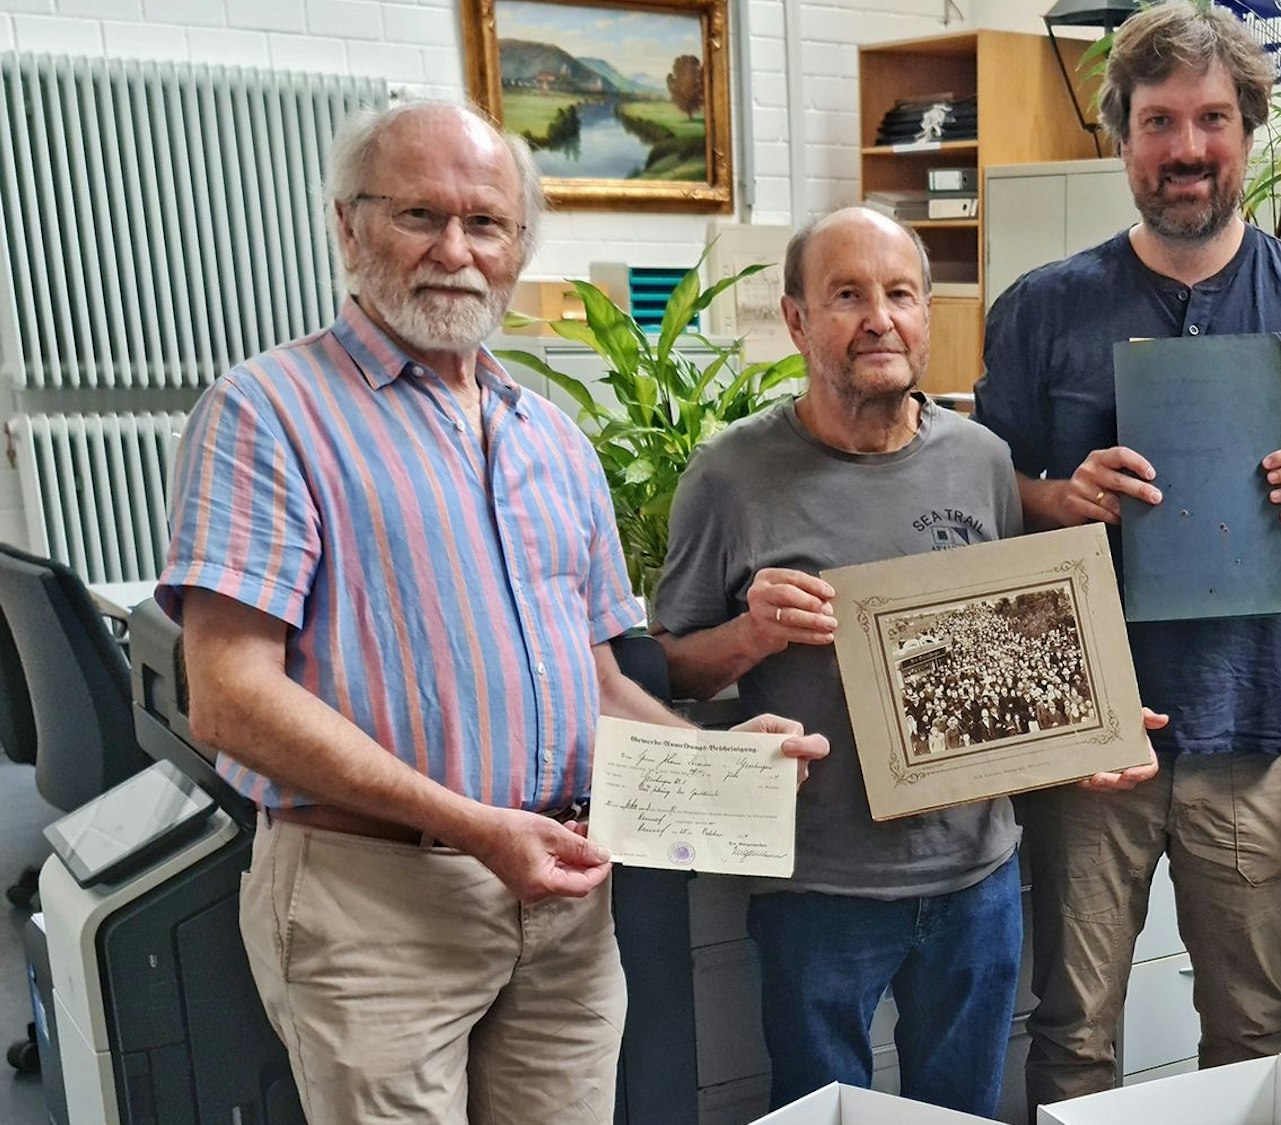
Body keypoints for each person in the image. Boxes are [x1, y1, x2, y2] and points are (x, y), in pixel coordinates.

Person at [159, 101, 828, 1124]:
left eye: (486, 223)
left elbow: (597, 683)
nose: (455, 250)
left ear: (519, 244)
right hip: (375, 904)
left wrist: (718, 765)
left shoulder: (551, 440)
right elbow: (229, 697)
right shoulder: (266, 412)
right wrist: (474, 827)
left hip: (563, 903)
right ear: (348, 226)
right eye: (419, 215)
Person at [975, 3, 1281, 1106]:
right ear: (1121, 136)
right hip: (1087, 737)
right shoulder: (1042, 309)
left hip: (1248, 731)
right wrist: (1057, 496)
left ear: (1249, 132)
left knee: (1250, 1027)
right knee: (1074, 1031)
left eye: (1211, 118)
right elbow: (977, 494)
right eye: (1158, 120)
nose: (1186, 146)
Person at [650, 207, 1158, 1117]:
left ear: (927, 315)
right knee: (823, 1113)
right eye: (846, 295)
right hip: (819, 888)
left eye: (900, 294)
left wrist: (1084, 729)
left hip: (975, 879)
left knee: (962, 1112)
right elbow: (666, 669)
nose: (878, 319)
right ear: (798, 320)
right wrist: (752, 635)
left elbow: (1004, 654)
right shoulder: (729, 475)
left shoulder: (983, 459)